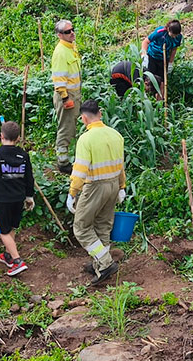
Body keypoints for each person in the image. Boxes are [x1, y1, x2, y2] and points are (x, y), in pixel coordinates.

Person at [68, 100, 127, 285]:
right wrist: (122, 186)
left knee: (81, 227)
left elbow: (80, 170)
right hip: (113, 185)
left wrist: (72, 193)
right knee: (103, 225)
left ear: (84, 118)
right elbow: (121, 165)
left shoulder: (86, 139)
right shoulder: (115, 135)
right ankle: (100, 263)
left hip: (95, 186)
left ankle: (105, 262)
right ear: (100, 114)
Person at [0, 121, 35, 277]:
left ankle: (18, 261)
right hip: (19, 198)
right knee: (11, 227)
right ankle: (8, 255)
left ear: (1, 136)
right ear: (18, 138)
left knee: (3, 231)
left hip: (3, 200)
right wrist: (29, 196)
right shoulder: (23, 155)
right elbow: (29, 178)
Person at [51, 19, 82, 174]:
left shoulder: (70, 47)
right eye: (67, 32)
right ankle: (63, 163)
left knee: (71, 126)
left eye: (72, 30)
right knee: (66, 128)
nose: (72, 33)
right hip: (67, 96)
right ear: (59, 35)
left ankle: (68, 156)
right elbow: (59, 78)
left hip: (74, 94)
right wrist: (65, 98)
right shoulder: (61, 52)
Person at [140, 20, 183, 98]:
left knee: (162, 80)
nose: (174, 37)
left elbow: (174, 49)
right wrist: (144, 55)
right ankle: (147, 99)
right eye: (172, 34)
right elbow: (145, 41)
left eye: (176, 35)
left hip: (163, 59)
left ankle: (160, 100)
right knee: (150, 78)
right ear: (168, 29)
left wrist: (170, 63)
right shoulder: (160, 32)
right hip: (152, 57)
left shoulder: (178, 37)